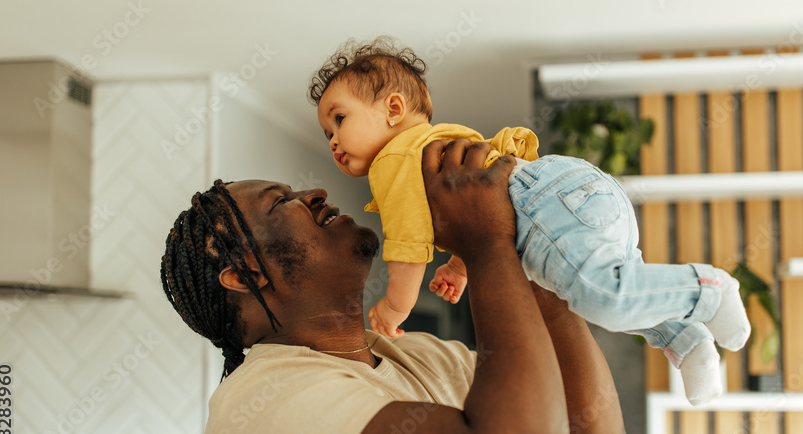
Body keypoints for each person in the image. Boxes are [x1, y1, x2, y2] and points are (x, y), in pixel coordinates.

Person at [159, 139, 628, 434]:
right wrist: (486, 242)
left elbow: (590, 431)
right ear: (244, 276)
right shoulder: (259, 406)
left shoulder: (423, 356)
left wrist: (529, 248)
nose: (314, 194)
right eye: (281, 202)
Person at [308, 37, 751, 405]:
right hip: (559, 199)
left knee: (602, 297)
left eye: (339, 119)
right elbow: (475, 211)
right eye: (327, 132)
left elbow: (407, 245)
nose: (333, 140)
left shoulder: (396, 159)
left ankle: (707, 290)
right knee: (609, 293)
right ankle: (688, 343)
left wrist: (393, 308)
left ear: (393, 107)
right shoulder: (432, 152)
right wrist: (460, 266)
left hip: (545, 203)